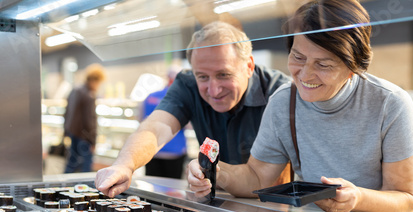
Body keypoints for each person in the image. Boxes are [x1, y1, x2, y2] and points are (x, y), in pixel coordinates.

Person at [187, 0, 413, 212]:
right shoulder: (283, 102)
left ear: (353, 67)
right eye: (298, 57)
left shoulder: (390, 103)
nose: (305, 75)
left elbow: (404, 201)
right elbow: (258, 178)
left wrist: (358, 198)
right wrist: (215, 172)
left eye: (323, 65)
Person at [95, 21, 290, 197]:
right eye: (203, 77)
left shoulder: (279, 93)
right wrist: (124, 165)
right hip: (216, 198)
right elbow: (155, 128)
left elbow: (263, 179)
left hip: (270, 204)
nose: (213, 90)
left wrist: (213, 171)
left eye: (223, 74)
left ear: (248, 66)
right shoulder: (187, 84)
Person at [142, 64, 187, 179]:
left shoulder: (150, 96)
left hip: (151, 150)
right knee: (172, 190)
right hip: (174, 151)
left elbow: (141, 120)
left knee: (152, 187)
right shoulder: (181, 98)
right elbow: (188, 125)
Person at [64, 63, 106, 173]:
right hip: (84, 137)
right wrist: (93, 141)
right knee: (85, 169)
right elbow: (90, 120)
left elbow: (67, 112)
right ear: (95, 80)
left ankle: (63, 189)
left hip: (73, 134)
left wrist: (66, 132)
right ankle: (83, 190)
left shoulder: (75, 90)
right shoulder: (89, 95)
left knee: (71, 165)